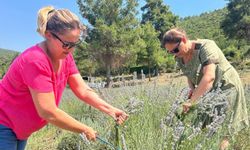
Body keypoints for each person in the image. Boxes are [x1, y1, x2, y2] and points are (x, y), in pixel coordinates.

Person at [0, 6, 128, 150]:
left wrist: (111, 110)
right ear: (48, 34)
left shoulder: (65, 57)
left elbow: (83, 90)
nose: (71, 50)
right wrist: (84, 129)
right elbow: (48, 111)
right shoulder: (35, 61)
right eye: (67, 44)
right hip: (4, 124)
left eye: (75, 44)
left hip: (20, 130)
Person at [162, 28, 249, 150]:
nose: (175, 54)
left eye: (176, 49)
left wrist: (191, 102)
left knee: (224, 127)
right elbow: (189, 76)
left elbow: (209, 77)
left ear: (184, 39)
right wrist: (192, 92)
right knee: (205, 125)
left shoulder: (206, 46)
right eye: (170, 52)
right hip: (208, 91)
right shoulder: (179, 58)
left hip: (226, 86)